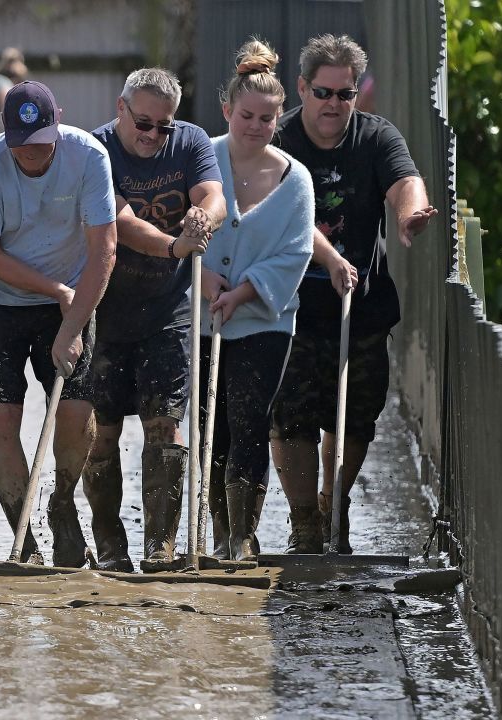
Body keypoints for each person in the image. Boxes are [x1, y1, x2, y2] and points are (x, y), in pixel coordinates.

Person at [269, 34, 437, 554]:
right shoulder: (277, 138)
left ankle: (333, 503)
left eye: (344, 95)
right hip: (291, 305)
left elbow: (405, 181)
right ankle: (304, 522)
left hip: (360, 306)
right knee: (291, 414)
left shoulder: (376, 136)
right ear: (303, 89)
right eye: (323, 93)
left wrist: (410, 214)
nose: (333, 105)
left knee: (355, 418)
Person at [0, 80, 117, 567]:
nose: (32, 154)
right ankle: (23, 539)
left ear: (58, 122)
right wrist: (54, 290)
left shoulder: (89, 157)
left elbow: (104, 249)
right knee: (2, 420)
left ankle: (62, 501)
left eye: (42, 143)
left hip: (70, 298)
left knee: (76, 415)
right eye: (21, 145)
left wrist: (71, 324)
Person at [84, 67, 225, 572]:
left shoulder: (191, 141)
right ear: (120, 109)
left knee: (165, 424)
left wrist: (203, 217)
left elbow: (214, 194)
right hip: (104, 307)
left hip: (167, 308)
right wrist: (172, 245)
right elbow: (120, 222)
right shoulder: (96, 150)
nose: (152, 135)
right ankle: (110, 544)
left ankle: (160, 548)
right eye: (142, 123)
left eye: (163, 126)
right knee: (101, 432)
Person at [198, 39, 314, 561]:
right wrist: (203, 277)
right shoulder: (202, 158)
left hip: (265, 319)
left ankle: (241, 538)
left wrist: (244, 292)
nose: (255, 126)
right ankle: (217, 530)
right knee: (211, 427)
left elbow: (296, 253)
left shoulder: (296, 179)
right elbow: (178, 226)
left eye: (267, 119)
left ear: (278, 119)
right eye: (246, 115)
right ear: (227, 109)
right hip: (203, 318)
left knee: (250, 423)